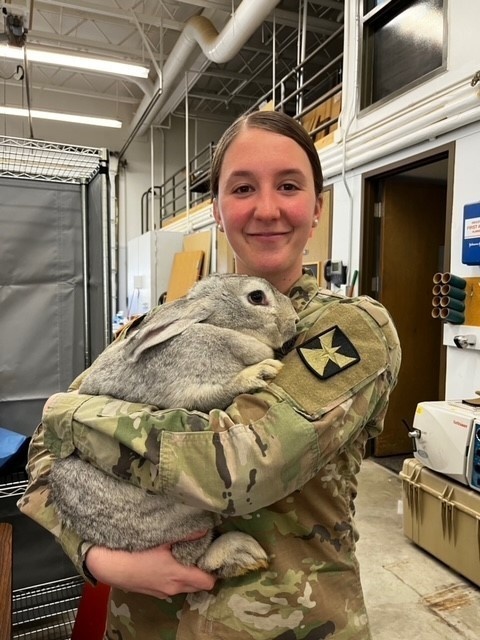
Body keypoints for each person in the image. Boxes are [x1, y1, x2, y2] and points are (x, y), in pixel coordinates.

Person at [18, 110, 401, 639]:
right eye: (242, 188)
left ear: (316, 208)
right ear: (217, 212)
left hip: (289, 624)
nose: (267, 209)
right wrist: (99, 559)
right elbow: (43, 459)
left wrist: (68, 413)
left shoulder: (349, 330)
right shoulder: (160, 323)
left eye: (288, 186)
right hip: (144, 626)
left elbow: (239, 464)